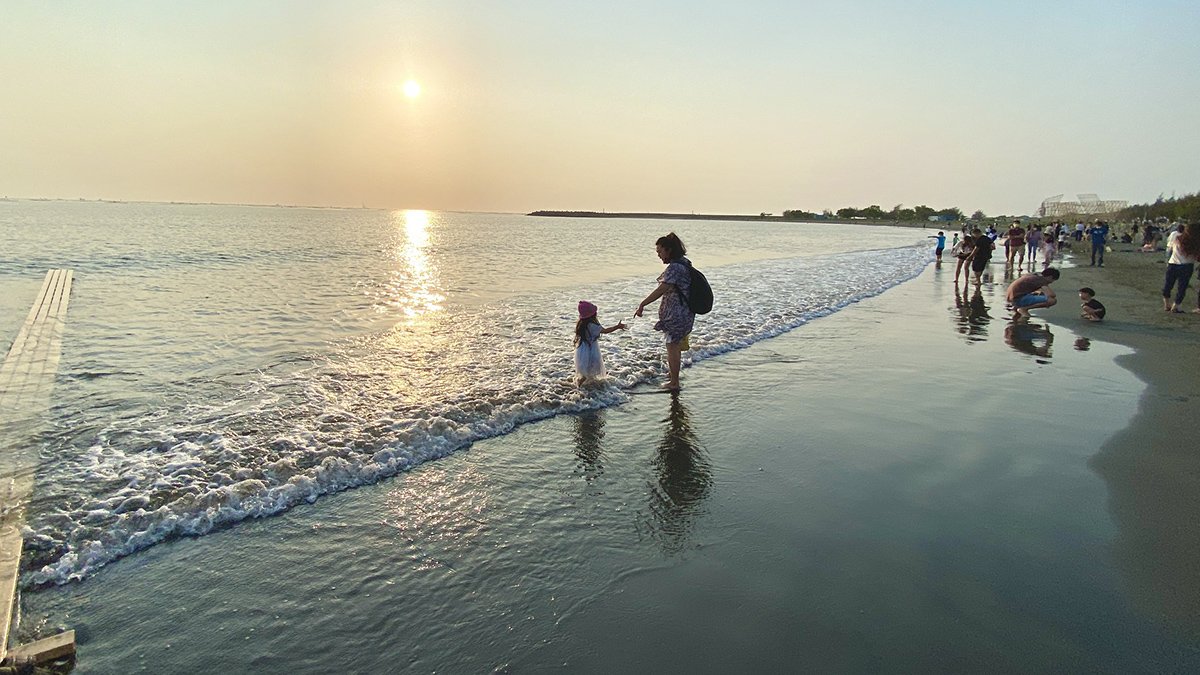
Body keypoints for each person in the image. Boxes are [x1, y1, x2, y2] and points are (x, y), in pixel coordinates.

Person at [635, 233, 696, 391]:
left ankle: (674, 383)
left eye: (660, 252)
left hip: (677, 315)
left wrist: (643, 304)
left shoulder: (675, 268)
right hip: (682, 313)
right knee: (674, 346)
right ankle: (672, 375)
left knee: (672, 346)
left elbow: (662, 289)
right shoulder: (684, 263)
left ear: (669, 250)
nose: (659, 255)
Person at [574, 301, 626, 381]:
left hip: (582, 349)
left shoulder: (581, 324)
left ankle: (582, 384)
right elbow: (605, 331)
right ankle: (581, 386)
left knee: (585, 369)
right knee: (591, 367)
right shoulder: (593, 325)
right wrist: (617, 327)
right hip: (591, 349)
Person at [1162, 222, 1199, 313]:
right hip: (1187, 266)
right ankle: (1176, 305)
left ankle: (1166, 304)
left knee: (1168, 285)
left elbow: (1170, 249)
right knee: (1182, 287)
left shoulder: (1177, 238)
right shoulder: (1196, 242)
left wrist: (1167, 261)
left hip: (1173, 263)